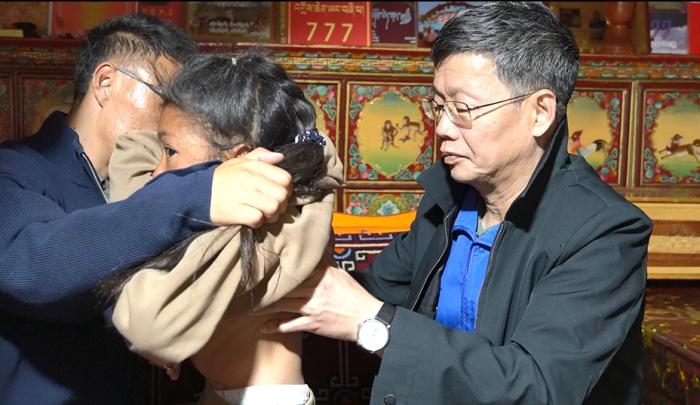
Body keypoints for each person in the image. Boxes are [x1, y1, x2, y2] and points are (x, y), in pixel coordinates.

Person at [260, 3, 652, 404]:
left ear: (540, 113)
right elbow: (370, 292)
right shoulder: (450, 200)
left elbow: (537, 387)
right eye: (439, 107)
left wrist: (373, 324)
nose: (443, 129)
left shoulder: (605, 233)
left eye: (463, 109)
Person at [0, 15, 292, 404]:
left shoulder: (154, 178)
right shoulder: (15, 169)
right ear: (106, 82)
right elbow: (32, 266)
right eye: (165, 97)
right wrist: (196, 194)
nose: (176, 116)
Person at [102, 51, 342, 405]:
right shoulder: (229, 204)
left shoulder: (271, 224)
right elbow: (132, 151)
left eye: (170, 151)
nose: (157, 171)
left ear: (241, 157)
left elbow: (146, 326)